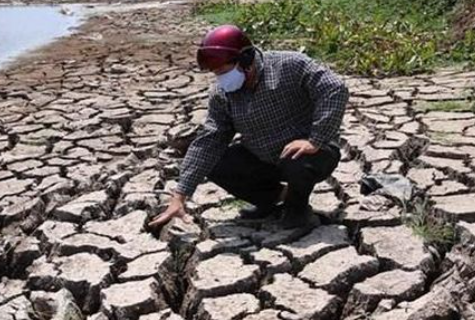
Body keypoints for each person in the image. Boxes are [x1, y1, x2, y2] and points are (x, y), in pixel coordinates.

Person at [149, 25, 349, 229]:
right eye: (215, 73)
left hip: (313, 154)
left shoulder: (290, 65)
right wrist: (180, 195)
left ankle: (298, 211)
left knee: (296, 159)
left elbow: (334, 88)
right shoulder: (222, 95)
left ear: (245, 60)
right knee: (216, 160)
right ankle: (273, 200)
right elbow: (209, 141)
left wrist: (315, 139)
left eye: (223, 71)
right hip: (264, 157)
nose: (220, 78)